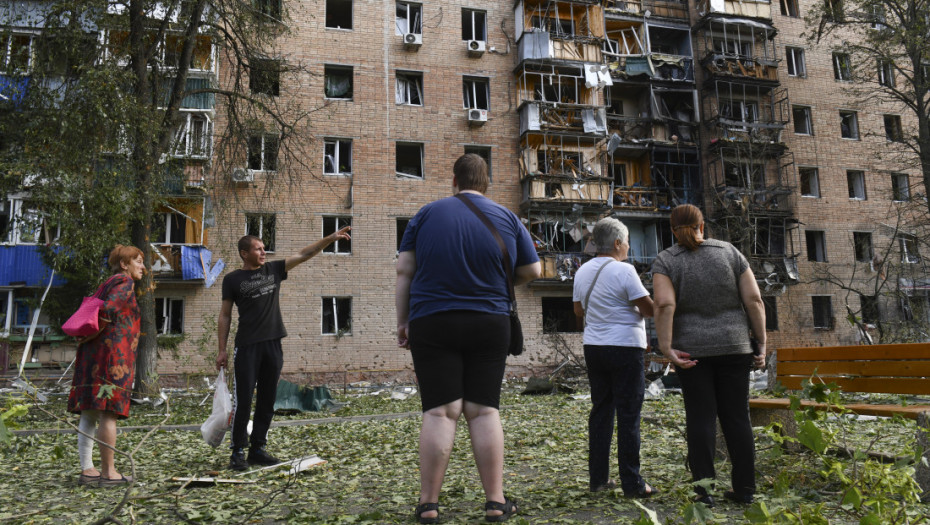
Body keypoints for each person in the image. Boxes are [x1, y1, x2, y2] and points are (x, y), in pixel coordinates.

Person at [396, 154, 541, 524]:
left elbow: (404, 270)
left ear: (454, 181)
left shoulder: (425, 214)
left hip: (432, 319)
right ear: (486, 182)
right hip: (490, 321)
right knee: (483, 410)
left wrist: (403, 321)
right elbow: (532, 270)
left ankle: (428, 504)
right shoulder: (507, 217)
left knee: (440, 411)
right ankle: (495, 502)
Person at [651, 204, 767, 507]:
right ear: (703, 225)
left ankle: (704, 494)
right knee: (737, 419)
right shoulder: (729, 252)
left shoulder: (666, 260)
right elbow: (754, 299)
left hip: (692, 351)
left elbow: (663, 304)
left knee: (700, 419)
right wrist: (762, 342)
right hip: (735, 346)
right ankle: (745, 490)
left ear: (672, 229)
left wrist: (666, 347)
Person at [217, 227, 351, 471]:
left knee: (268, 400)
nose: (263, 252)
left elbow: (304, 254)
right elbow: (225, 315)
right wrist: (221, 350)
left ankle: (257, 448)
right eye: (257, 249)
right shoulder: (232, 280)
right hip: (246, 347)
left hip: (273, 344)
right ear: (244, 253)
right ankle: (238, 451)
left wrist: (330, 239)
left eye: (263, 247)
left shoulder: (273, 270)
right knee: (243, 402)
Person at [572, 217, 657, 497]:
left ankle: (598, 479)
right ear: (618, 243)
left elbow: (578, 312)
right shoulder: (625, 271)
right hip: (625, 348)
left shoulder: (582, 271)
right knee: (629, 415)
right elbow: (648, 310)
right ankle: (632, 483)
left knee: (601, 411)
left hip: (594, 348)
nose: (629, 247)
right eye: (628, 242)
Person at [68, 244, 145, 487]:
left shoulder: (107, 283)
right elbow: (108, 311)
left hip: (93, 357)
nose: (143, 267)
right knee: (109, 412)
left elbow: (100, 311)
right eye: (138, 261)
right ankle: (109, 473)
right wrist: (91, 334)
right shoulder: (124, 282)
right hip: (113, 360)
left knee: (90, 411)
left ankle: (87, 470)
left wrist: (86, 338)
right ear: (125, 264)